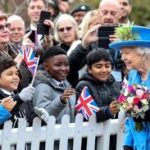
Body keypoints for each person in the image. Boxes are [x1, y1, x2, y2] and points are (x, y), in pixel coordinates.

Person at [109, 25, 150, 150]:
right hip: (139, 144)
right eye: (122, 53)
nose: (122, 58)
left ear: (143, 53)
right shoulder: (132, 75)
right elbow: (130, 118)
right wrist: (127, 144)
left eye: (127, 53)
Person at [75, 48, 121, 150]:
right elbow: (87, 114)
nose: (104, 70)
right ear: (89, 69)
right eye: (98, 66)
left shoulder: (116, 84)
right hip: (91, 140)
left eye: (107, 66)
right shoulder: (83, 86)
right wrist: (108, 110)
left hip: (114, 138)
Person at [0, 53, 34, 127]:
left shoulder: (22, 96)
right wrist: (19, 99)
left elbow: (30, 121)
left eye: (16, 73)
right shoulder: (20, 97)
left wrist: (39, 117)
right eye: (10, 74)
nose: (16, 77)